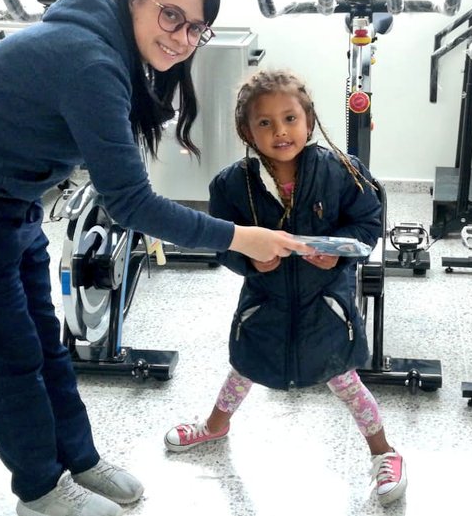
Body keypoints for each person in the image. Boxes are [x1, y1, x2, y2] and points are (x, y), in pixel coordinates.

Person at [0, 0, 311, 516]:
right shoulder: (91, 61)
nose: (181, 38)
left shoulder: (111, 49)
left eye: (195, 27)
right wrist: (242, 236)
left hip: (10, 199)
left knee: (46, 346)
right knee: (5, 358)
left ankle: (79, 461)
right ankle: (40, 492)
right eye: (170, 15)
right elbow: (132, 203)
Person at [162, 69, 408, 505]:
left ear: (309, 120)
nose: (280, 131)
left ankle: (384, 453)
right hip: (264, 302)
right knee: (244, 367)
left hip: (326, 306)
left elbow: (367, 223)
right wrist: (249, 259)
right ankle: (215, 426)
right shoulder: (231, 185)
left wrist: (340, 253)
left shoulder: (341, 172)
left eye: (290, 118)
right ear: (246, 131)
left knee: (346, 381)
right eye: (265, 122)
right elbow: (222, 241)